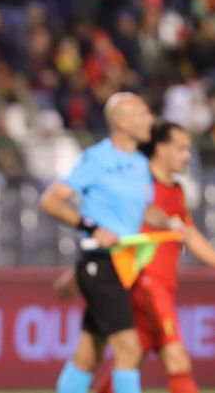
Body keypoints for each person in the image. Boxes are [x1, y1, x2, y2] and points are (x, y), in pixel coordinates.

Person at [39, 92, 167, 393]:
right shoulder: (98, 158)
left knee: (88, 355)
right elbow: (52, 201)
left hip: (124, 265)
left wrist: (170, 222)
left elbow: (139, 208)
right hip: (103, 265)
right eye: (143, 114)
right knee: (130, 350)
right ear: (121, 122)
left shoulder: (138, 163)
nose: (151, 120)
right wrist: (92, 227)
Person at [91, 121, 215, 393]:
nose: (188, 155)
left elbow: (190, 235)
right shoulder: (139, 183)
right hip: (146, 283)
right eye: (181, 148)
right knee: (177, 359)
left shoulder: (176, 189)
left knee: (129, 361)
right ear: (160, 148)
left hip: (162, 285)